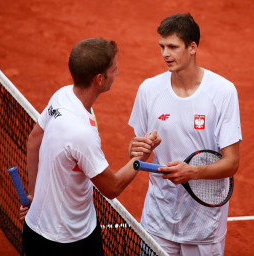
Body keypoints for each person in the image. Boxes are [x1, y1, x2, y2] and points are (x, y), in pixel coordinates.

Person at [20, 38, 161, 256]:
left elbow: (33, 141)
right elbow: (111, 188)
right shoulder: (81, 133)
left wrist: (33, 194)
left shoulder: (63, 95)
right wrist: (139, 159)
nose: (117, 73)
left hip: (38, 229)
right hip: (68, 243)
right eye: (114, 69)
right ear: (99, 79)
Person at [128, 13, 242, 256]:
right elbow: (136, 150)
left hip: (203, 224)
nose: (165, 54)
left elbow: (232, 162)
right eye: (162, 47)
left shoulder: (223, 92)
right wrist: (139, 148)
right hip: (158, 219)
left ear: (192, 47)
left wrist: (192, 172)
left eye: (172, 47)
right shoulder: (149, 90)